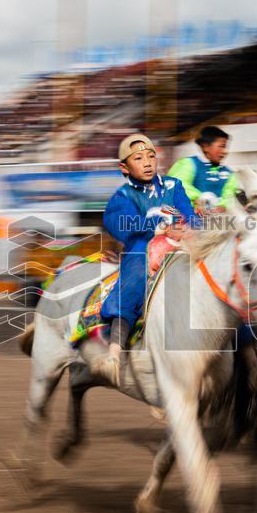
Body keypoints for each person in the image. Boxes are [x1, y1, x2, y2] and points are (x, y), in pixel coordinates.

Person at [95, 133, 198, 384]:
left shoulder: (173, 185)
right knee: (137, 272)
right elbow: (122, 224)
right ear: (124, 167)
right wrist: (160, 228)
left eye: (151, 156)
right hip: (144, 245)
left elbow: (189, 213)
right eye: (138, 158)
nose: (148, 162)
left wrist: (192, 227)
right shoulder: (122, 197)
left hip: (181, 242)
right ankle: (115, 353)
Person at [167, 126, 239, 212]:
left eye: (225, 147)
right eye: (221, 146)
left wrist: (223, 206)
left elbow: (230, 196)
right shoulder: (188, 164)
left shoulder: (228, 173)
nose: (225, 151)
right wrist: (197, 198)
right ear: (205, 147)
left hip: (219, 221)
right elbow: (174, 184)